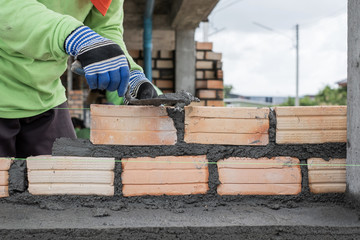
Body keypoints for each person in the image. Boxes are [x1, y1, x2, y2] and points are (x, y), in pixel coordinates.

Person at [0, 0, 157, 158]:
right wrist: (75, 35)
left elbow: (104, 29)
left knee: (69, 178)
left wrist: (131, 75)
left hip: (45, 96)